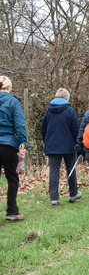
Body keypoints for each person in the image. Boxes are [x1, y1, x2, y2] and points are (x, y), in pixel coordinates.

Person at [41, 88, 82, 205]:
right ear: (67, 98)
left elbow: (43, 129)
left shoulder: (48, 111)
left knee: (54, 171)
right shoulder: (70, 111)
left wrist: (46, 141)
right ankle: (73, 193)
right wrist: (78, 144)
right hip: (68, 146)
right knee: (71, 168)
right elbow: (76, 130)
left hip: (52, 145)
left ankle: (54, 197)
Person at [0, 76, 28, 221]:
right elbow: (19, 124)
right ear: (9, 88)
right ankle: (12, 211)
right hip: (8, 144)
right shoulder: (12, 101)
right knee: (12, 177)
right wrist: (23, 143)